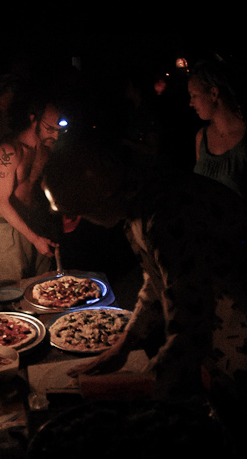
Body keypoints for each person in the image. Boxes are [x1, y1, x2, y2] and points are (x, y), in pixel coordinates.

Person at [43, 134, 247, 406]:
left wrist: (148, 394)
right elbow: (157, 279)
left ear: (103, 198)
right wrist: (125, 343)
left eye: (80, 212)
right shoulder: (142, 198)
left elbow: (190, 324)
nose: (82, 221)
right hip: (220, 338)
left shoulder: (168, 213)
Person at [0, 96, 63, 281]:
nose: (55, 136)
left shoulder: (45, 149)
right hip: (6, 228)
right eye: (50, 129)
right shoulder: (9, 151)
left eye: (60, 130)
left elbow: (41, 184)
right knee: (12, 291)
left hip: (34, 220)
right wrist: (35, 239)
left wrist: (61, 205)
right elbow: (1, 202)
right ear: (33, 119)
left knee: (45, 285)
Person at [188, 56, 247, 199]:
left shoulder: (243, 138)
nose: (190, 103)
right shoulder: (202, 137)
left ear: (213, 93)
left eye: (194, 95)